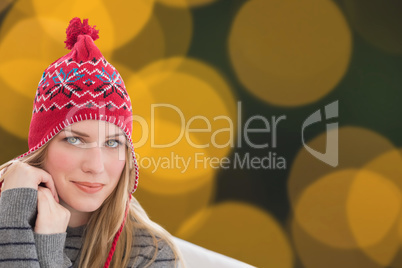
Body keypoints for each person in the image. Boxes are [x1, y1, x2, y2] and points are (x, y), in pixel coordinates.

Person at [0, 18, 183, 268]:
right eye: (75, 139)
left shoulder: (150, 255)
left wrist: (50, 248)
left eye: (112, 143)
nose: (96, 167)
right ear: (41, 146)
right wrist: (12, 217)